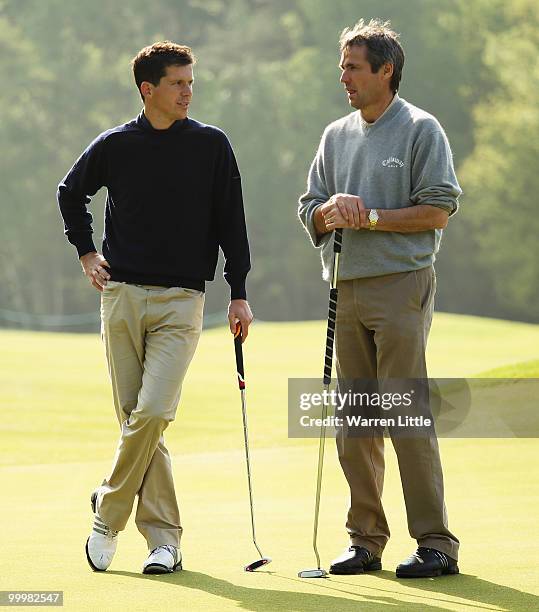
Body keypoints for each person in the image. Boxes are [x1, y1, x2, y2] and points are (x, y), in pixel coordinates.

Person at [57, 41, 252, 574]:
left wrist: (238, 290)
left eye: (191, 82)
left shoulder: (212, 145)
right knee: (138, 422)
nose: (189, 91)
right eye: (178, 83)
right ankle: (165, 542)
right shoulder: (117, 144)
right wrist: (86, 252)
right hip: (121, 296)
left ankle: (109, 512)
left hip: (182, 300)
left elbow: (231, 220)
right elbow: (71, 192)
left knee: (154, 412)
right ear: (149, 90)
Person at [298, 19, 461, 578]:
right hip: (345, 288)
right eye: (342, 66)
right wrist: (325, 214)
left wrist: (369, 215)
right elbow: (309, 207)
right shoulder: (335, 135)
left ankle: (436, 543)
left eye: (352, 67)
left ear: (385, 70)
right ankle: (365, 540)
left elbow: (438, 208)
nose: (342, 76)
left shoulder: (420, 128)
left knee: (404, 412)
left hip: (401, 284)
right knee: (355, 419)